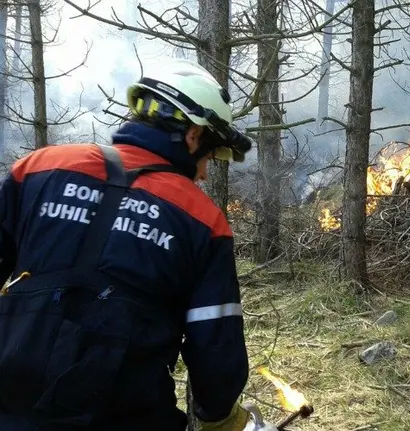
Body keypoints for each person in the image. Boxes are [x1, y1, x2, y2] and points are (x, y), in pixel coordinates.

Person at [0, 59, 275, 430]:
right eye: (210, 156)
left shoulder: (39, 168)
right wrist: (219, 416)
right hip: (127, 415)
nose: (207, 172)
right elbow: (214, 344)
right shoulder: (200, 218)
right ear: (193, 135)